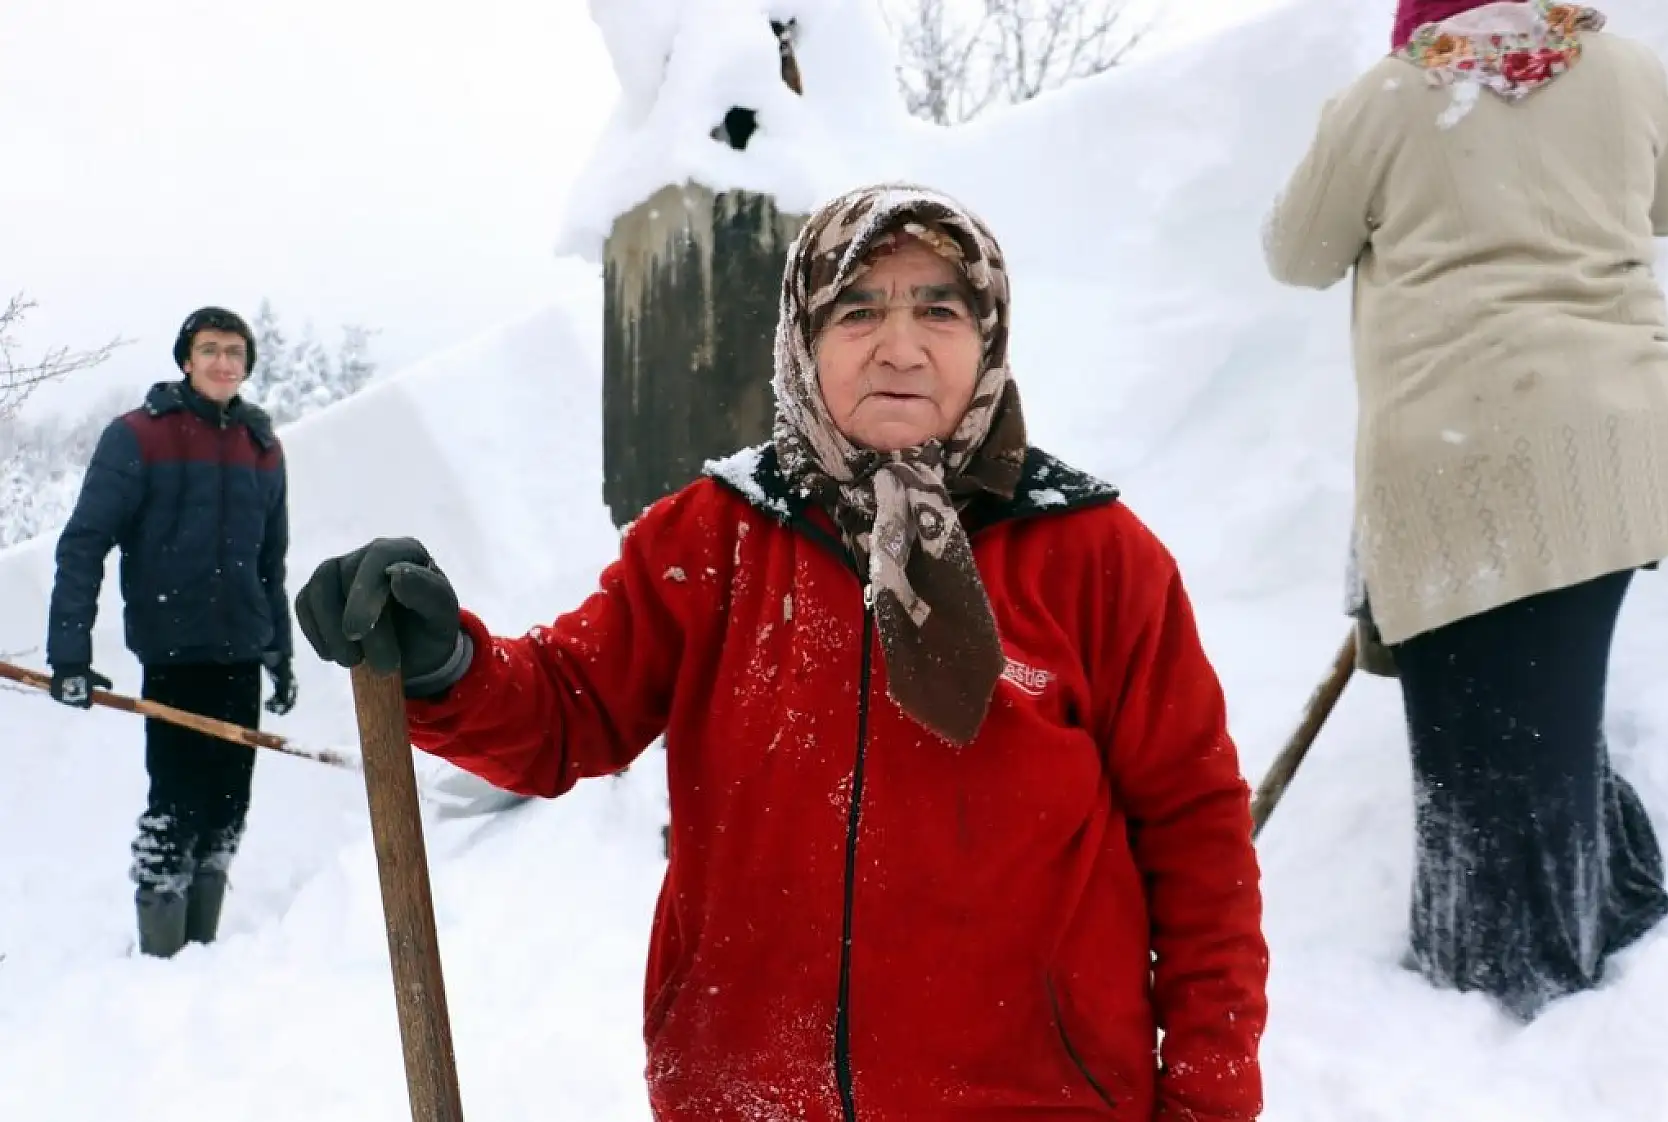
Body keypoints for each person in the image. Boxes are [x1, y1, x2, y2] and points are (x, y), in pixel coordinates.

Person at [295, 184, 1269, 1120]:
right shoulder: (714, 538)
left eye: (938, 309)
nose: (899, 346)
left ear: (989, 337)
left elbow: (1196, 842)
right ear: (802, 342)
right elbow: (566, 711)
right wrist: (442, 667)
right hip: (739, 1098)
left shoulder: (1091, 555)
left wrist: (1208, 1095)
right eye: (856, 310)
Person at [1264, 0, 1668, 1019]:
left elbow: (1295, 252)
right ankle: (1609, 906)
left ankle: (1504, 991)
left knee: (1478, 759)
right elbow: (1666, 206)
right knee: (1542, 716)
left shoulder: (1392, 93)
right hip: (1614, 451)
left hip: (1462, 465)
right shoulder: (1626, 69)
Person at [46, 306, 298, 959]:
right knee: (176, 808)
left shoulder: (261, 450)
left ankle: (204, 955)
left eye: (235, 352)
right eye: (210, 349)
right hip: (175, 655)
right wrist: (68, 654)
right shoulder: (138, 437)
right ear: (186, 359)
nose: (222, 362)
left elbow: (270, 563)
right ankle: (162, 963)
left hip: (240, 652)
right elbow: (82, 545)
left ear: (246, 366)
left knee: (227, 809)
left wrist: (280, 652)